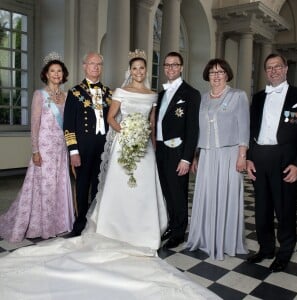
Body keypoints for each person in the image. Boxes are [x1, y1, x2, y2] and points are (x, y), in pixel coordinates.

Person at [86, 49, 168, 250]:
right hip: (123, 143)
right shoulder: (120, 92)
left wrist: (150, 144)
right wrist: (127, 132)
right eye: (135, 68)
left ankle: (144, 229)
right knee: (120, 186)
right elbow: (111, 118)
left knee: (143, 188)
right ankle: (114, 227)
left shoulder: (152, 95)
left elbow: (152, 121)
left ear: (146, 70)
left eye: (142, 68)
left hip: (145, 148)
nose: (138, 71)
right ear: (129, 71)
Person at [0, 52, 74, 242]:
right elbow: (34, 124)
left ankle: (59, 223)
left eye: (59, 71)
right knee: (44, 186)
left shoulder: (66, 96)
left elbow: (69, 124)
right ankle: (42, 225)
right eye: (52, 71)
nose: (56, 74)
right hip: (44, 147)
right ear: (46, 74)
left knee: (59, 184)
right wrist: (35, 150)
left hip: (60, 148)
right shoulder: (39, 95)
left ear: (63, 74)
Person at [186, 58, 249, 260]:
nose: (216, 75)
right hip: (206, 155)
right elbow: (198, 130)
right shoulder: (203, 98)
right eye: (212, 72)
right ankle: (204, 237)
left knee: (226, 196)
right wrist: (195, 154)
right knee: (207, 195)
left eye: (220, 71)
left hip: (229, 155)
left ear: (227, 74)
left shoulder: (238, 96)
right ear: (207, 75)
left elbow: (244, 128)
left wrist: (242, 156)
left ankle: (225, 240)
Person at [246, 53, 297, 272]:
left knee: (285, 208)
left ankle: (284, 252)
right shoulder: (258, 97)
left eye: (278, 66)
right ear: (265, 71)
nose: (274, 70)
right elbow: (250, 130)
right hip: (260, 157)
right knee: (262, 208)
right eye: (269, 67)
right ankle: (266, 248)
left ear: (286, 68)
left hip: (286, 159)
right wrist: (249, 157)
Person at [155, 51, 201, 249]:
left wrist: (186, 159)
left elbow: (193, 129)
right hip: (161, 150)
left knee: (178, 192)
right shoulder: (162, 93)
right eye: (167, 65)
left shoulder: (191, 93)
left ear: (181, 67)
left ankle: (179, 232)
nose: (170, 68)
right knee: (166, 191)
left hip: (177, 151)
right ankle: (173, 225)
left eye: (174, 65)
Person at [63, 52, 112, 236]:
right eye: (92, 63)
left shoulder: (109, 93)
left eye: (99, 64)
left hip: (103, 147)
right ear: (84, 66)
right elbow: (68, 125)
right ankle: (80, 225)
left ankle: (97, 224)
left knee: (101, 186)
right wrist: (73, 151)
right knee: (83, 187)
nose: (95, 67)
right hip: (83, 148)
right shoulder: (75, 93)